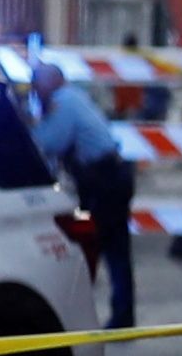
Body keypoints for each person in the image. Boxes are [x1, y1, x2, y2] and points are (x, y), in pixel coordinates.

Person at [32, 54, 140, 331]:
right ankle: (122, 315)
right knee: (116, 251)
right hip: (112, 177)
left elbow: (48, 142)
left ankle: (80, 317)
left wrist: (27, 126)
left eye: (37, 85)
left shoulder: (64, 104)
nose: (35, 91)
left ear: (51, 82)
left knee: (90, 249)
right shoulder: (75, 97)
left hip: (103, 181)